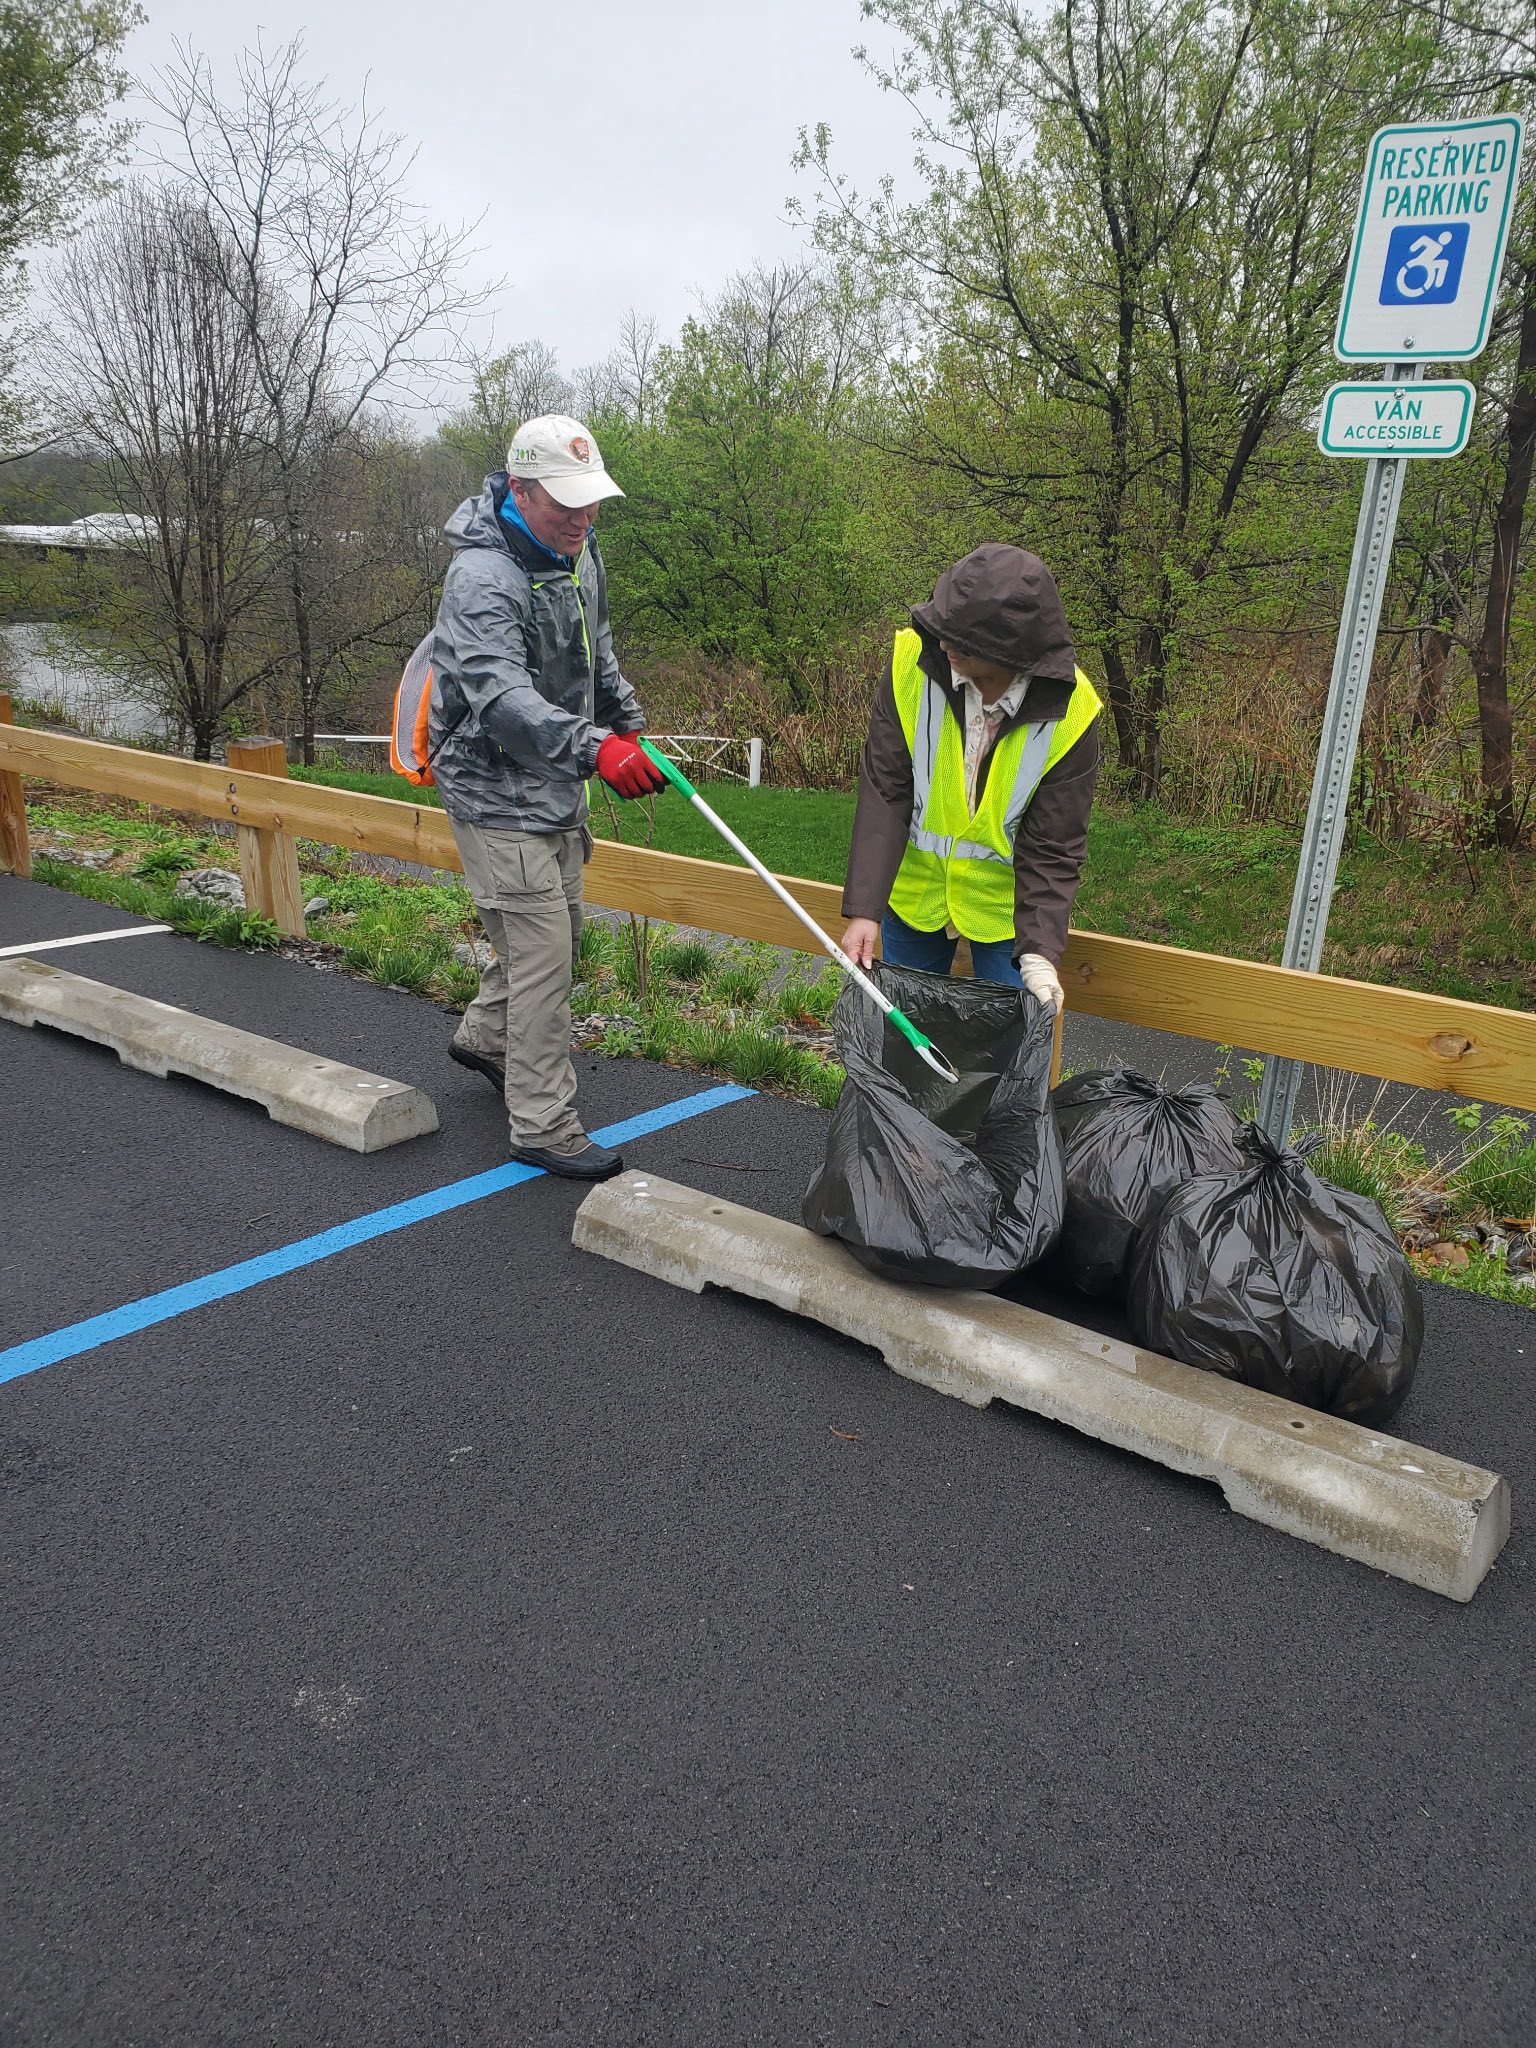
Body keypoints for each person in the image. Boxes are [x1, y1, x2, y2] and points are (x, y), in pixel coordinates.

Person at [428, 412, 664, 1180]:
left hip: (556, 775)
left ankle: (487, 1038)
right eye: (566, 501)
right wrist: (598, 749)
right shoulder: (481, 579)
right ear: (521, 491)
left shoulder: (579, 549)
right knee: (542, 960)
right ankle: (542, 1124)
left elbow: (596, 650)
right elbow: (501, 702)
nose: (583, 516)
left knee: (557, 934)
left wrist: (626, 722)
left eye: (591, 499)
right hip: (494, 785)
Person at [840, 543, 1102, 1010]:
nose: (944, 645)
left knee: (1010, 1045)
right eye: (944, 628)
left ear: (1012, 650)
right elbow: (886, 792)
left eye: (962, 640)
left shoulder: (1073, 711)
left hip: (1004, 913)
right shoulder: (910, 667)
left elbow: (1054, 845)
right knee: (907, 1038)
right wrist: (865, 909)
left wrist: (1040, 951)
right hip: (915, 898)